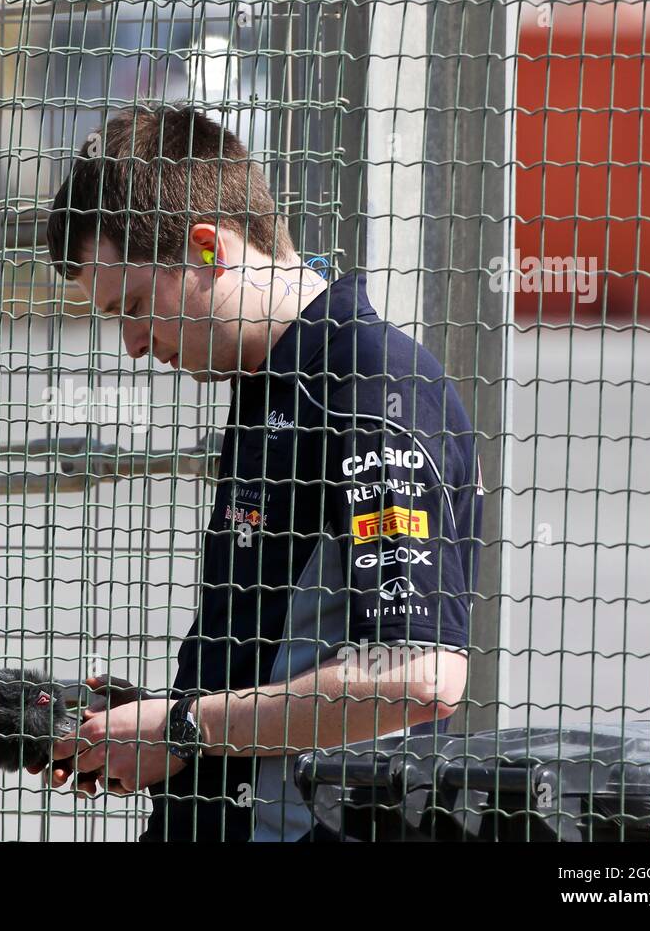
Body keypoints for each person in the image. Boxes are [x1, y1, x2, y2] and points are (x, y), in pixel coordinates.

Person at [40, 103, 483, 841]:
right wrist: (138, 725)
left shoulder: (367, 386)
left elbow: (419, 677)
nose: (133, 346)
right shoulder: (272, 382)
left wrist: (179, 729)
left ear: (209, 247)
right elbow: (287, 646)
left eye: (136, 306)